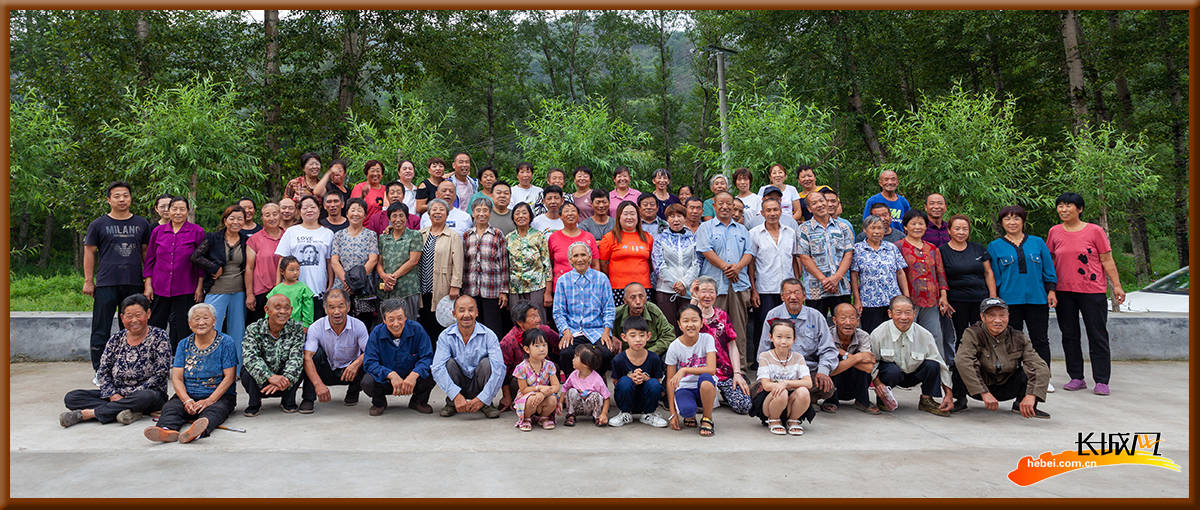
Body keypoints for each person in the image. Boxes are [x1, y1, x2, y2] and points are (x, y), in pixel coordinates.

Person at [1046, 192, 1124, 396]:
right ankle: (1076, 377)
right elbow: (1051, 262)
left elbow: (1107, 259)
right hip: (1064, 291)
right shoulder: (1054, 232)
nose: (1063, 209)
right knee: (1069, 335)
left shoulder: (1095, 231)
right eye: (1060, 206)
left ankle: (1101, 380)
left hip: (1092, 291)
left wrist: (1116, 285)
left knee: (1097, 334)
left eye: (1068, 206)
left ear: (1079, 209)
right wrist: (1050, 288)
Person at [60, 294, 171, 428]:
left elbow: (160, 374)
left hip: (147, 395)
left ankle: (87, 414)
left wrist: (129, 394)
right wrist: (112, 394)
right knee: (72, 397)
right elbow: (103, 371)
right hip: (116, 394)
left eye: (138, 315)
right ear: (122, 318)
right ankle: (127, 411)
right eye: (129, 316)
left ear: (148, 314)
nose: (134, 320)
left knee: (145, 397)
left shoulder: (159, 336)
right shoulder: (116, 339)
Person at [143, 303, 238, 444]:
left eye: (206, 318)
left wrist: (209, 400)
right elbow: (177, 377)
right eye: (196, 319)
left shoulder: (226, 342)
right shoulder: (183, 344)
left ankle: (196, 433)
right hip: (189, 394)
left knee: (214, 411)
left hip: (218, 396)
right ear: (189, 323)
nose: (201, 322)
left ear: (214, 321)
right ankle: (166, 431)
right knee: (171, 408)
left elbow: (230, 377)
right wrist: (186, 400)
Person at [83, 182, 153, 371]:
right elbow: (89, 252)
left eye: (125, 195)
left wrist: (148, 282)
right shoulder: (98, 224)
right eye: (117, 196)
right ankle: (100, 370)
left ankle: (130, 366)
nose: (122, 199)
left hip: (133, 283)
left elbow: (146, 254)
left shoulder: (142, 223)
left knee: (133, 326)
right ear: (108, 200)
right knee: (101, 328)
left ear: (130, 198)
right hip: (106, 283)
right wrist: (89, 280)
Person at [987, 205, 1057, 392]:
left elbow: (1048, 269)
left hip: (1037, 299)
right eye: (1007, 219)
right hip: (1010, 302)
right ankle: (1015, 377)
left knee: (1040, 340)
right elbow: (993, 275)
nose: (1012, 222)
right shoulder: (995, 246)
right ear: (1002, 223)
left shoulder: (1037, 243)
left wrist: (1051, 291)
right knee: (1011, 341)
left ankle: (1043, 378)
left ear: (1023, 221)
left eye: (1016, 218)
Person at [954, 297, 1051, 418]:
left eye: (1002, 315)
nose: (998, 320)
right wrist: (984, 392)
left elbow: (1039, 366)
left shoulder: (1018, 337)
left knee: (1031, 369)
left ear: (1008, 316)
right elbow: (964, 361)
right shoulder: (972, 333)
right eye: (992, 316)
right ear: (982, 317)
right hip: (977, 389)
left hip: (1006, 387)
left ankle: (1024, 405)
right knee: (959, 363)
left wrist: (1032, 395)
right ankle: (960, 400)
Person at [756, 278, 838, 407]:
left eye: (797, 293)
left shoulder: (816, 316)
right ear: (782, 297)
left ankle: (798, 399)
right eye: (788, 293)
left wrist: (823, 371)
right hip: (777, 371)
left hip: (806, 371)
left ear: (804, 296)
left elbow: (828, 348)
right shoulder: (773, 314)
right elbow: (763, 350)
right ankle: (798, 399)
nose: (793, 297)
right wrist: (765, 376)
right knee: (755, 392)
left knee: (826, 386)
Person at [868, 296, 953, 417]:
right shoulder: (878, 334)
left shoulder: (925, 335)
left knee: (933, 364)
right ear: (890, 314)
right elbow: (872, 363)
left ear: (914, 313)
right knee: (892, 370)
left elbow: (941, 364)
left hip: (914, 373)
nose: (904, 317)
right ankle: (883, 398)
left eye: (908, 313)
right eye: (898, 313)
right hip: (892, 374)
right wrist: (877, 384)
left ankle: (926, 399)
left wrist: (949, 395)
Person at [696, 192, 753, 369]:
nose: (725, 207)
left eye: (729, 204)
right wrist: (726, 268)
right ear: (714, 206)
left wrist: (736, 268)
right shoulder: (705, 228)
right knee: (712, 329)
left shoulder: (742, 230)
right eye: (721, 203)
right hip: (713, 287)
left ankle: (739, 369)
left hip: (738, 284)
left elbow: (749, 253)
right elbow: (706, 250)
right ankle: (714, 369)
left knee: (738, 330)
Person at [144, 196, 205, 349]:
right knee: (156, 324)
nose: (178, 212)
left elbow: (201, 262)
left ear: (188, 212)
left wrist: (199, 287)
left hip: (185, 287)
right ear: (169, 211)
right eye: (174, 209)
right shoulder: (158, 231)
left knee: (184, 326)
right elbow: (150, 259)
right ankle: (154, 358)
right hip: (159, 287)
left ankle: (182, 361)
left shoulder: (196, 231)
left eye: (182, 209)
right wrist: (148, 285)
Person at [432, 296, 505, 418]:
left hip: (479, 384)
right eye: (461, 310)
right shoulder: (445, 336)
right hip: (458, 384)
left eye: (471, 310)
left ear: (477, 313)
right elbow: (437, 368)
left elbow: (499, 368)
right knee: (448, 364)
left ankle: (486, 404)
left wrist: (483, 398)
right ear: (454, 314)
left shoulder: (489, 335)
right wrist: (455, 395)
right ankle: (452, 402)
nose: (466, 315)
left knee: (487, 364)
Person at [554, 242, 618, 376]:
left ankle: (597, 382)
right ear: (570, 260)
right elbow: (559, 312)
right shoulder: (563, 281)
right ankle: (573, 384)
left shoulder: (601, 279)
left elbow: (609, 309)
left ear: (589, 258)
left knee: (606, 353)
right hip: (573, 331)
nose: (580, 259)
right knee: (566, 353)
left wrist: (607, 331)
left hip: (597, 330)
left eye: (583, 255)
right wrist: (565, 331)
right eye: (575, 256)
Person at [361, 299, 436, 416]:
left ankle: (418, 401)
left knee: (433, 372)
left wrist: (414, 375)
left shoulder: (417, 330)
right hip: (386, 381)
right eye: (391, 319)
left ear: (406, 317)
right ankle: (379, 403)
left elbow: (427, 357)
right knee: (368, 381)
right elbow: (369, 362)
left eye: (400, 318)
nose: (396, 324)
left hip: (411, 381)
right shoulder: (376, 333)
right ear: (384, 320)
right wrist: (390, 374)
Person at [193, 204, 250, 355]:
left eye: (240, 219)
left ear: (244, 222)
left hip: (238, 291)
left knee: (237, 332)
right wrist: (214, 268)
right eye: (232, 218)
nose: (236, 222)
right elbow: (196, 256)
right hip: (216, 289)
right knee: (210, 328)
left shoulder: (246, 240)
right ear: (225, 220)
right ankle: (209, 366)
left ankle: (236, 370)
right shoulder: (214, 238)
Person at [300, 289, 369, 413]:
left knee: (366, 359)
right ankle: (308, 398)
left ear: (348, 307)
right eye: (331, 307)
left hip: (348, 372)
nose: (336, 312)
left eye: (341, 306)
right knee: (314, 355)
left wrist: (356, 364)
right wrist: (318, 384)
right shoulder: (315, 327)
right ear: (325, 309)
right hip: (325, 370)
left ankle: (353, 392)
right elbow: (307, 357)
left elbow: (370, 351)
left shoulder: (358, 326)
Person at [895, 209, 952, 361]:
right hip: (907, 301)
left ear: (926, 227)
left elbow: (940, 274)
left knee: (934, 335)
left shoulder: (932, 248)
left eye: (921, 224)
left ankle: (939, 370)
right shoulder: (898, 247)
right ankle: (906, 368)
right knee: (906, 335)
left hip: (931, 300)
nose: (917, 227)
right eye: (913, 223)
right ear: (905, 227)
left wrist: (943, 296)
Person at [690, 276, 751, 415]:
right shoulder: (693, 315)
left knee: (744, 405)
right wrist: (693, 297)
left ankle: (720, 394)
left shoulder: (722, 315)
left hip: (723, 373)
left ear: (716, 294)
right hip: (700, 371)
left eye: (711, 291)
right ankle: (710, 396)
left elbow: (732, 345)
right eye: (703, 291)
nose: (707, 295)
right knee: (694, 406)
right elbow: (688, 323)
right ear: (697, 293)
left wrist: (737, 373)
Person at [747, 197, 796, 363]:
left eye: (775, 210)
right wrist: (753, 289)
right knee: (764, 324)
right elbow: (751, 263)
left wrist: (797, 285)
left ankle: (785, 358)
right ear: (762, 213)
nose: (772, 213)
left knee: (787, 325)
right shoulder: (754, 234)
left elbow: (795, 260)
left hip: (788, 289)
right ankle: (761, 360)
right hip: (765, 287)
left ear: (781, 211)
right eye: (768, 210)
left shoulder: (790, 232)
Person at [240, 294, 306, 416]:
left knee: (301, 366)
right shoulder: (254, 329)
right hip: (261, 381)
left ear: (291, 310)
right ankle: (254, 402)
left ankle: (288, 400)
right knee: (246, 369)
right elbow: (250, 357)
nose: (283, 311)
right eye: (277, 307)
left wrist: (285, 379)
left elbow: (296, 358)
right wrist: (270, 377)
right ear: (267, 310)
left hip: (285, 382)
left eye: (286, 308)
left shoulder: (296, 328)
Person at [795, 192, 854, 318]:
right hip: (816, 289)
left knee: (844, 324)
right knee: (815, 328)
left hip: (841, 287)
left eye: (821, 201)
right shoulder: (803, 229)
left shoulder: (843, 227)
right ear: (810, 209)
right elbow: (804, 257)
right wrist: (824, 280)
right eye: (814, 203)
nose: (820, 205)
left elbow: (848, 254)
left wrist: (836, 278)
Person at [275, 195, 334, 320]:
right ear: (299, 212)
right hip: (292, 291)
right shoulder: (291, 232)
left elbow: (329, 262)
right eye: (305, 208)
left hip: (318, 290)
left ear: (319, 210)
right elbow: (282, 261)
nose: (309, 210)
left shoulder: (328, 233)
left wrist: (330, 285)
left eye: (312, 207)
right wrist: (278, 288)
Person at [939, 214, 996, 342]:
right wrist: (944, 299)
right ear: (949, 230)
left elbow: (988, 272)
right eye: (957, 228)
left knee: (982, 334)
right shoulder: (942, 251)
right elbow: (940, 276)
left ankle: (982, 362)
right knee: (962, 336)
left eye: (965, 229)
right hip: (957, 300)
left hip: (980, 299)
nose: (961, 232)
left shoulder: (978, 248)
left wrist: (992, 297)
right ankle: (963, 362)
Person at [751, 319, 814, 435]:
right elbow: (766, 385)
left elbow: (808, 383)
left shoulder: (798, 357)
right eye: (779, 337)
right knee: (781, 391)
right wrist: (782, 386)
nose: (783, 341)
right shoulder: (765, 356)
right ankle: (774, 419)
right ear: (771, 337)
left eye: (788, 337)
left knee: (804, 391)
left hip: (792, 403)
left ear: (794, 339)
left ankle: (793, 420)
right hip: (772, 401)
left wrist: (786, 383)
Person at [851, 215, 910, 334]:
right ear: (865, 230)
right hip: (870, 301)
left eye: (880, 228)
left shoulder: (891, 247)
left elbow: (900, 272)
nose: (877, 232)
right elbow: (854, 276)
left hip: (892, 300)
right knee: (873, 334)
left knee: (894, 333)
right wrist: (857, 300)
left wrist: (906, 297)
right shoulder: (857, 249)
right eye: (873, 228)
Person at [665, 304, 718, 436]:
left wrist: (684, 370)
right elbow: (670, 381)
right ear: (679, 324)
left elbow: (712, 369)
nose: (690, 324)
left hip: (705, 385)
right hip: (685, 387)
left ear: (701, 323)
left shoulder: (707, 339)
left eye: (694, 320)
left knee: (706, 381)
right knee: (687, 411)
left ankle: (707, 418)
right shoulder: (674, 346)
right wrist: (672, 413)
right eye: (685, 321)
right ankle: (690, 414)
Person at [498, 303, 561, 412]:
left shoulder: (543, 330)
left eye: (538, 315)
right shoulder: (508, 341)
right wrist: (506, 396)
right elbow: (503, 371)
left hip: (543, 378)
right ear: (520, 322)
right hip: (522, 384)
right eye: (533, 317)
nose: (538, 319)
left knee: (554, 367)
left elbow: (559, 344)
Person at [608, 316, 668, 428]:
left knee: (654, 384)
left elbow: (658, 382)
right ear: (624, 337)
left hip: (646, 399)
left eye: (642, 335)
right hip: (627, 399)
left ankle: (648, 414)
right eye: (633, 335)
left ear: (648, 336)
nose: (638, 339)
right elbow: (616, 383)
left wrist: (645, 378)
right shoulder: (619, 359)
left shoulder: (654, 358)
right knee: (625, 381)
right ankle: (625, 413)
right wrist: (631, 379)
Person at [417, 198, 464, 339]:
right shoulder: (421, 234)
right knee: (424, 320)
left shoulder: (453, 236)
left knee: (440, 323)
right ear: (429, 213)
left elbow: (458, 263)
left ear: (447, 214)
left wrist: (455, 285)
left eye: (441, 209)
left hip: (442, 285)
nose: (437, 212)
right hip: (422, 285)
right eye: (434, 209)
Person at [463, 197, 510, 336]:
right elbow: (464, 263)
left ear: (490, 213)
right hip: (471, 288)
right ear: (473, 213)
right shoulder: (467, 235)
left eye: (485, 210)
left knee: (492, 327)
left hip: (492, 288)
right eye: (478, 210)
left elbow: (503, 263)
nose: (481, 214)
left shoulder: (497, 234)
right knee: (474, 326)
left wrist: (504, 290)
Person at [821, 303, 879, 414]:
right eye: (843, 318)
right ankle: (831, 400)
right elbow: (830, 371)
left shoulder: (863, 336)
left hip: (855, 383)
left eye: (852, 318)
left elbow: (868, 368)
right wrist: (858, 357)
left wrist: (843, 353)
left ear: (857, 321)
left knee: (860, 368)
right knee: (833, 362)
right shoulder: (827, 335)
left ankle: (862, 401)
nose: (848, 322)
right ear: (834, 320)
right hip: (833, 384)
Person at [330, 198, 380, 325]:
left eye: (359, 210)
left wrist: (358, 282)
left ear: (364, 214)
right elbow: (335, 261)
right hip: (342, 286)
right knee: (340, 320)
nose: (356, 213)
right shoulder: (339, 235)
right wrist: (347, 282)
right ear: (347, 214)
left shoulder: (371, 235)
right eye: (352, 210)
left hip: (363, 287)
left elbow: (373, 259)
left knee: (363, 323)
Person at [651, 203, 701, 330]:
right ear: (667, 220)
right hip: (665, 290)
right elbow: (658, 265)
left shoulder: (693, 238)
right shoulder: (660, 239)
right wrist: (676, 284)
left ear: (685, 218)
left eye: (679, 216)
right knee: (669, 328)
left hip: (688, 290)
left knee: (688, 327)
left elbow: (697, 263)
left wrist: (684, 283)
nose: (676, 219)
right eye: (672, 216)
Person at [599, 202, 653, 304]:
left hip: (643, 287)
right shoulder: (609, 237)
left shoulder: (648, 237)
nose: (629, 217)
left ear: (638, 216)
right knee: (621, 319)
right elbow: (603, 264)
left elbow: (651, 263)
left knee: (642, 319)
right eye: (625, 214)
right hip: (618, 287)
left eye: (632, 214)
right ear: (619, 216)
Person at [376, 202, 423, 320]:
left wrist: (392, 278)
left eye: (401, 215)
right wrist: (384, 276)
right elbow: (379, 262)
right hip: (387, 290)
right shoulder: (383, 237)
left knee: (408, 323)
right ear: (389, 218)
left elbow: (413, 261)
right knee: (388, 322)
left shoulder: (414, 235)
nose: (398, 219)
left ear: (407, 217)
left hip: (407, 289)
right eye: (394, 216)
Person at [506, 203, 552, 321]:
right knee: (518, 320)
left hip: (536, 286)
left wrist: (548, 291)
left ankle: (539, 340)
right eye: (517, 213)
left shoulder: (539, 236)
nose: (521, 216)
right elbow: (505, 265)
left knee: (537, 320)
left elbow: (547, 265)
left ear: (530, 216)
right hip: (515, 287)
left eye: (524, 213)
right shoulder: (508, 238)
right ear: (513, 218)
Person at [511, 328, 561, 431]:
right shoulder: (521, 368)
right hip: (528, 397)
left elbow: (556, 386)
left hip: (544, 395)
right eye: (537, 346)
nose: (542, 349)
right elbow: (524, 389)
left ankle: (543, 417)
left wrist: (543, 393)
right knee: (531, 399)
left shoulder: (549, 365)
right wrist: (539, 388)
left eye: (544, 345)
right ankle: (527, 418)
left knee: (552, 400)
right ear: (527, 349)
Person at [546, 202, 599, 294]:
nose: (570, 214)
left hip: (586, 287)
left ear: (578, 215)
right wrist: (548, 291)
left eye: (573, 211)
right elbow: (549, 266)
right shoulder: (553, 237)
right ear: (561, 216)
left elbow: (595, 264)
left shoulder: (589, 237)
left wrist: (596, 285)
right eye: (566, 211)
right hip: (561, 288)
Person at [245, 202, 284, 325]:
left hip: (284, 290)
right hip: (261, 292)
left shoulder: (288, 236)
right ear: (262, 218)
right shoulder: (254, 239)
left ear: (280, 215)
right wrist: (250, 294)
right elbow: (249, 268)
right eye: (267, 215)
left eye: (275, 214)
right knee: (261, 327)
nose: (272, 218)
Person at [612, 282, 676, 356]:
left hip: (652, 355)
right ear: (625, 300)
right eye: (632, 297)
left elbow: (669, 335)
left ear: (646, 298)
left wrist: (648, 353)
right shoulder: (616, 314)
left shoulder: (653, 310)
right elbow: (601, 330)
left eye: (641, 296)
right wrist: (611, 337)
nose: (638, 301)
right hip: (625, 356)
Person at [560, 344, 612, 426]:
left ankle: (597, 416)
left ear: (585, 364)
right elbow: (564, 387)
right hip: (578, 406)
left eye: (575, 357)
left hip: (590, 407)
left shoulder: (597, 379)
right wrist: (560, 402)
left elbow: (606, 397)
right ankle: (571, 415)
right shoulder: (574, 375)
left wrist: (604, 413)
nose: (572, 360)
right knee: (571, 391)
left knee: (597, 395)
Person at [267, 257, 315, 327]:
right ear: (282, 271)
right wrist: (269, 321)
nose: (295, 272)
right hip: (278, 324)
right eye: (291, 270)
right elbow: (269, 307)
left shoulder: (303, 288)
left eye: (298, 269)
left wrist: (306, 324)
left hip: (297, 325)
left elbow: (308, 307)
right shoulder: (277, 289)